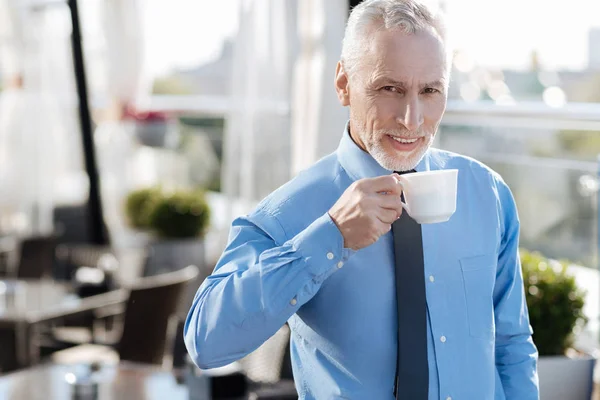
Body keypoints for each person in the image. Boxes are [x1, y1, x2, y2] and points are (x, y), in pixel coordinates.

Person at [184, 0, 539, 399]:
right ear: (343, 84)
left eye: (430, 90)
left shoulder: (486, 193)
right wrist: (328, 238)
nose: (411, 118)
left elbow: (511, 344)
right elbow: (205, 344)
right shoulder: (286, 213)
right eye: (390, 88)